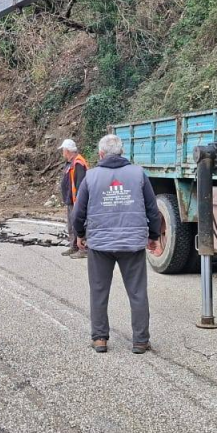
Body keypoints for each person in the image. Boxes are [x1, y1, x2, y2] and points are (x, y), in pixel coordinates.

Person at [73, 134, 162, 355]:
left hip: (100, 246)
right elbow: (153, 209)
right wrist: (153, 236)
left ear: (101, 154)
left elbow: (78, 213)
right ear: (122, 152)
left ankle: (100, 339)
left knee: (99, 291)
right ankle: (140, 341)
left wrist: (81, 234)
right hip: (132, 245)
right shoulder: (138, 173)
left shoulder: (91, 177)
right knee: (137, 292)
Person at [59, 139, 89, 258]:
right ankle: (74, 246)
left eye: (63, 150)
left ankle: (83, 249)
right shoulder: (71, 162)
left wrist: (79, 202)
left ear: (67, 151)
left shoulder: (78, 163)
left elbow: (80, 184)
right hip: (70, 199)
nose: (62, 153)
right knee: (71, 224)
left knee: (79, 224)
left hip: (76, 200)